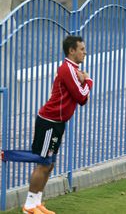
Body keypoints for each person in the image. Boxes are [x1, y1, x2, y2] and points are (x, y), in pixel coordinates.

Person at [23, 36, 93, 214]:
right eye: (82, 49)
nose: (85, 52)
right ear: (72, 50)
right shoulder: (67, 69)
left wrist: (84, 81)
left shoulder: (74, 70)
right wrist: (89, 81)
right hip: (49, 122)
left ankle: (37, 202)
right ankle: (28, 205)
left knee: (50, 163)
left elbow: (81, 98)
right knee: (43, 163)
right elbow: (81, 96)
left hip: (58, 123)